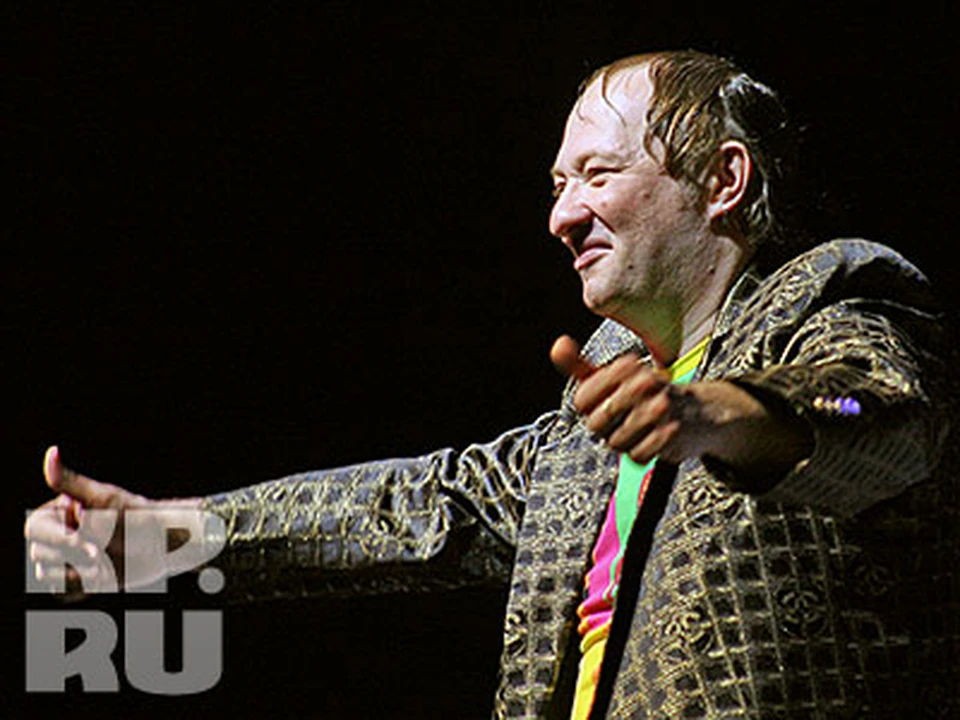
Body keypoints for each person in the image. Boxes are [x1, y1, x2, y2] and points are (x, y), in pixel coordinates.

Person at [26, 50, 957, 718]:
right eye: (557, 184)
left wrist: (722, 414)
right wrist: (167, 540)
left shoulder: (833, 291)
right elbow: (421, 505)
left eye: (597, 174)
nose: (562, 216)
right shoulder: (601, 405)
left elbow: (882, 416)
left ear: (723, 180)